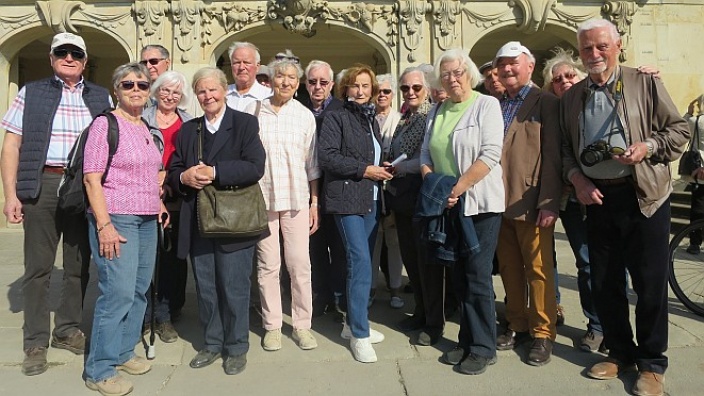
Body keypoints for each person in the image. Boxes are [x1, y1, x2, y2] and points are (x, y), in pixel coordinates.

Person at [561, 19, 689, 396]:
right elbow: (567, 151)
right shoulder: (573, 95)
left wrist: (648, 147)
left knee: (650, 283)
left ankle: (652, 363)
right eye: (587, 48)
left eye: (601, 46)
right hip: (597, 197)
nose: (594, 54)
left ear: (618, 45)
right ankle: (619, 352)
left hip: (644, 195)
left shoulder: (644, 82)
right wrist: (578, 179)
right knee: (605, 281)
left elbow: (679, 129)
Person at [0, 32, 112, 376]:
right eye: (61, 52)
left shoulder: (100, 95)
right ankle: (35, 341)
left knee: (79, 265)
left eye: (75, 53)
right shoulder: (30, 92)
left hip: (83, 185)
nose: (68, 58)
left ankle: (67, 329)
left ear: (84, 60)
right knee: (38, 268)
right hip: (43, 183)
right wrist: (10, 195)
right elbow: (11, 146)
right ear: (51, 58)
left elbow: (111, 143)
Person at [168, 67, 266, 375]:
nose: (207, 96)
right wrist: (183, 176)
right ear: (196, 96)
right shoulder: (188, 130)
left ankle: (236, 346)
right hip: (198, 220)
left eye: (213, 89)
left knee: (234, 286)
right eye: (201, 91)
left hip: (235, 220)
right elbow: (174, 171)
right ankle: (212, 343)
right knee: (206, 287)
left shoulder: (244, 124)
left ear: (224, 90)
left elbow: (255, 167)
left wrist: (215, 172)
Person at [83, 62, 168, 396]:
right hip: (116, 217)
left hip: (147, 219)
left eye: (142, 85)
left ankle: (122, 351)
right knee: (116, 292)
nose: (136, 90)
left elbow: (150, 174)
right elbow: (92, 177)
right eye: (128, 84)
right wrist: (103, 225)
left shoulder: (145, 126)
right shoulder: (105, 125)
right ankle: (99, 369)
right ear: (116, 89)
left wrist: (158, 203)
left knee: (137, 289)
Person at [419, 48, 505, 375]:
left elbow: (490, 153)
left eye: (458, 72)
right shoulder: (436, 110)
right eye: (446, 74)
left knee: (476, 275)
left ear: (469, 73)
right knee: (457, 273)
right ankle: (467, 340)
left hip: (479, 204)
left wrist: (455, 189)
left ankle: (484, 346)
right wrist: (439, 190)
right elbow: (426, 153)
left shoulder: (487, 105)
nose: (452, 79)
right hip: (447, 205)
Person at [244, 57, 320, 352]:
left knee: (299, 264)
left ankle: (302, 325)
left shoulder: (304, 116)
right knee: (268, 266)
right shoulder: (254, 112)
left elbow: (312, 165)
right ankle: (272, 325)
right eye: (280, 76)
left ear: (297, 83)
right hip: (263, 200)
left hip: (297, 199)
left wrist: (315, 202)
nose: (285, 82)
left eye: (291, 77)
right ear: (271, 79)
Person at [493, 41, 562, 367]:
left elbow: (553, 158)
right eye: (502, 64)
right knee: (508, 268)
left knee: (538, 270)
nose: (507, 69)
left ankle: (543, 333)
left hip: (531, 202)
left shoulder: (545, 102)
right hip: (498, 202)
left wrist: (549, 202)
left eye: (513, 63)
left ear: (530, 66)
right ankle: (516, 324)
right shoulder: (496, 102)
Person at [318, 64, 391, 363]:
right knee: (359, 261)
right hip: (346, 199)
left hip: (371, 199)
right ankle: (360, 334)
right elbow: (328, 157)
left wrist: (384, 168)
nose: (360, 91)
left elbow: (371, 155)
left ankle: (352, 324)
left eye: (365, 86)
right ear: (345, 89)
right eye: (354, 86)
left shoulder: (370, 120)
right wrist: (365, 170)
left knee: (363, 265)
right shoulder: (336, 117)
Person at [141, 70, 194, 342]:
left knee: (173, 258)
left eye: (176, 92)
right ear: (156, 91)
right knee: (147, 259)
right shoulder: (142, 118)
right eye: (166, 90)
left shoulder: (188, 123)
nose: (170, 96)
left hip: (176, 195)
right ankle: (146, 314)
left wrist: (171, 178)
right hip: (143, 193)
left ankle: (167, 313)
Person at [387, 66, 433, 333]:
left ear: (426, 88)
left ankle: (429, 314)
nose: (410, 92)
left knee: (422, 259)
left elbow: (428, 158)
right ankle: (420, 308)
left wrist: (399, 167)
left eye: (416, 87)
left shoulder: (429, 116)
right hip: (401, 196)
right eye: (405, 88)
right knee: (410, 257)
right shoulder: (406, 117)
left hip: (419, 193)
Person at [304, 60, 347, 319]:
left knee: (340, 248)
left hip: (338, 189)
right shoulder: (299, 110)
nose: (318, 87)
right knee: (315, 248)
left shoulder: (343, 110)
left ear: (332, 84)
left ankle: (341, 298)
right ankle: (321, 295)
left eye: (323, 82)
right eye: (312, 82)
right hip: (309, 191)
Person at [372, 73, 404, 309]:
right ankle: (371, 287)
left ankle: (395, 287)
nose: (382, 95)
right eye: (379, 91)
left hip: (394, 188)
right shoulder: (367, 117)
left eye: (387, 91)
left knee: (393, 241)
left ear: (393, 95)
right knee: (373, 241)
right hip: (372, 189)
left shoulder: (400, 119)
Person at [683, 95, 704, 254]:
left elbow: (680, 127)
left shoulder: (695, 121)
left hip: (698, 171)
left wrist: (690, 112)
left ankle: (695, 243)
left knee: (697, 208)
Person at [226, 42, 272, 111]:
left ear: (257, 67)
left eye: (246, 63)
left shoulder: (269, 97)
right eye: (237, 63)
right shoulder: (221, 94)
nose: (241, 67)